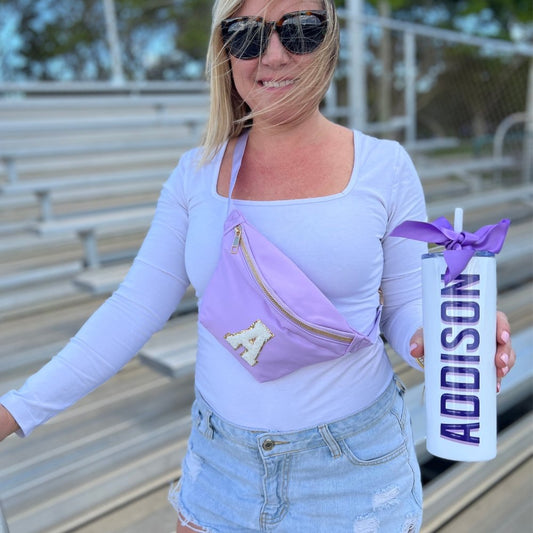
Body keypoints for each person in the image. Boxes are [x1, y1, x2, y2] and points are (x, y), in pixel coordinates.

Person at [0, 1, 516, 531]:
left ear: (330, 39)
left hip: (353, 470)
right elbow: (134, 307)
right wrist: (16, 410)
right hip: (221, 465)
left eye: (300, 30)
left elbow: (402, 306)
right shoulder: (196, 173)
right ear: (224, 52)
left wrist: (437, 340)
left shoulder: (384, 167)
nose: (272, 54)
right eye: (246, 35)